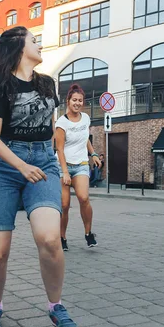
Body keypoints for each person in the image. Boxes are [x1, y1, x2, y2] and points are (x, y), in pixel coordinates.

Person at [0, 27, 78, 327]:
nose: (39, 44)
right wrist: (21, 165)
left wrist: (55, 161)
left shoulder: (47, 84)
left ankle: (56, 306)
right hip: (4, 168)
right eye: (34, 40)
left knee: (49, 239)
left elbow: (48, 129)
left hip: (43, 163)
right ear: (19, 47)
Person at [55, 84, 101, 251]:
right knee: (64, 204)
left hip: (81, 164)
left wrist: (93, 153)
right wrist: (65, 172)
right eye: (74, 100)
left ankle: (88, 233)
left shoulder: (86, 118)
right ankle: (62, 237)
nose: (77, 103)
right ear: (68, 101)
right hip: (63, 166)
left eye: (80, 100)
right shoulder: (61, 122)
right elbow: (59, 149)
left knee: (83, 198)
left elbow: (85, 139)